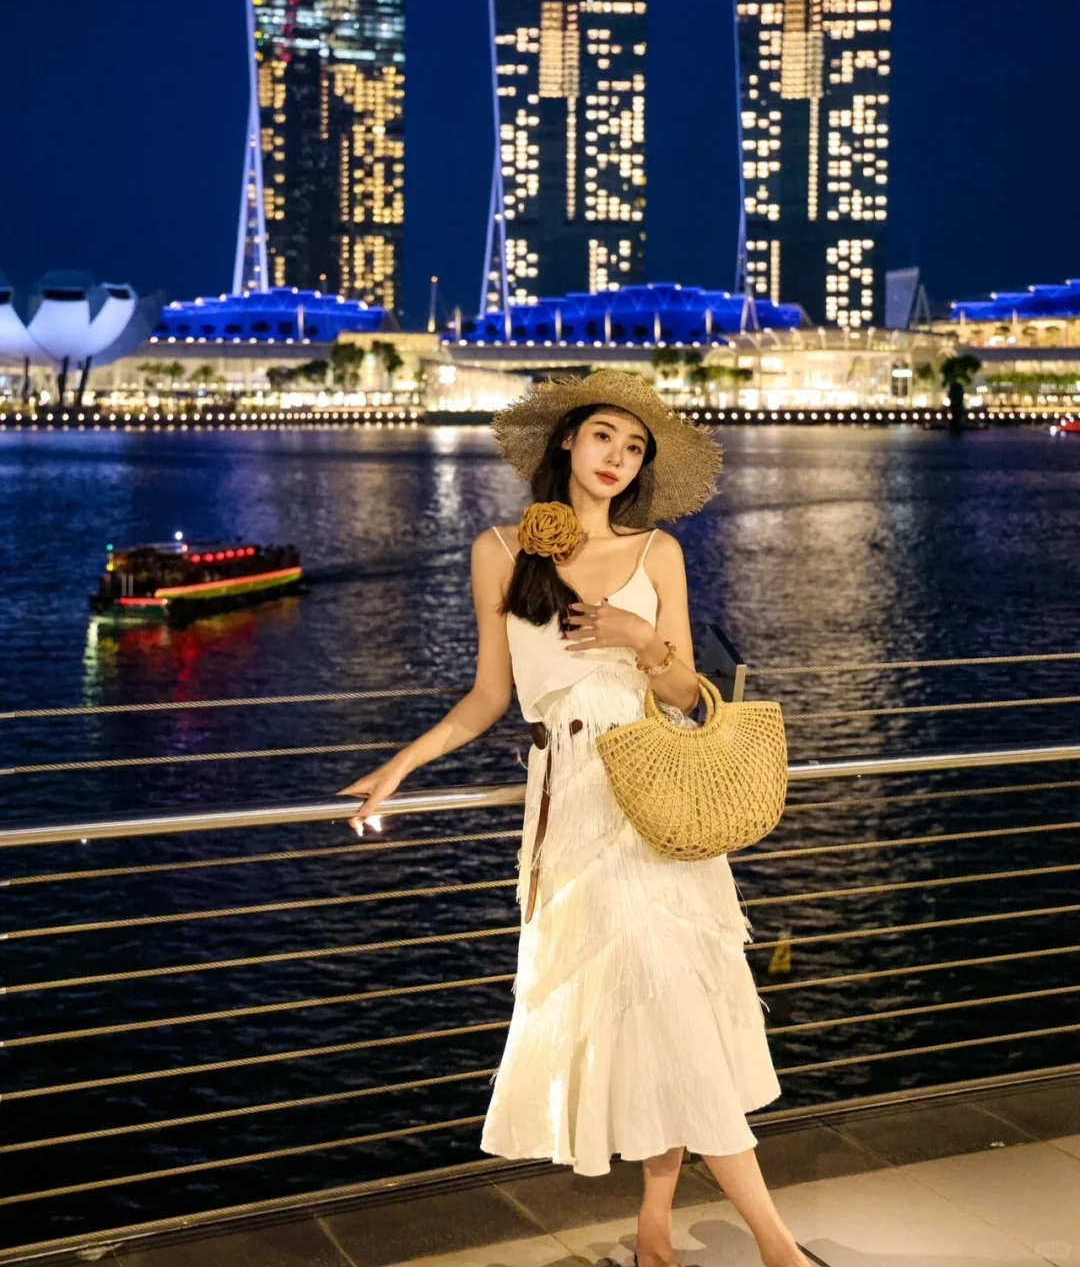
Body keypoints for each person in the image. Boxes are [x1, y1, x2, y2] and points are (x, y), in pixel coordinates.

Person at [338, 369, 814, 1267]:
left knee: (675, 1006)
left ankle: (769, 1244)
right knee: (643, 1013)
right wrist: (401, 765)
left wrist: (641, 640)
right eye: (605, 437)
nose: (618, 458)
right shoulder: (499, 549)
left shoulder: (658, 551)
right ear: (567, 441)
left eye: (634, 448)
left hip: (655, 792)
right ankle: (658, 1234)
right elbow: (489, 698)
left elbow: (685, 694)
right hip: (572, 805)